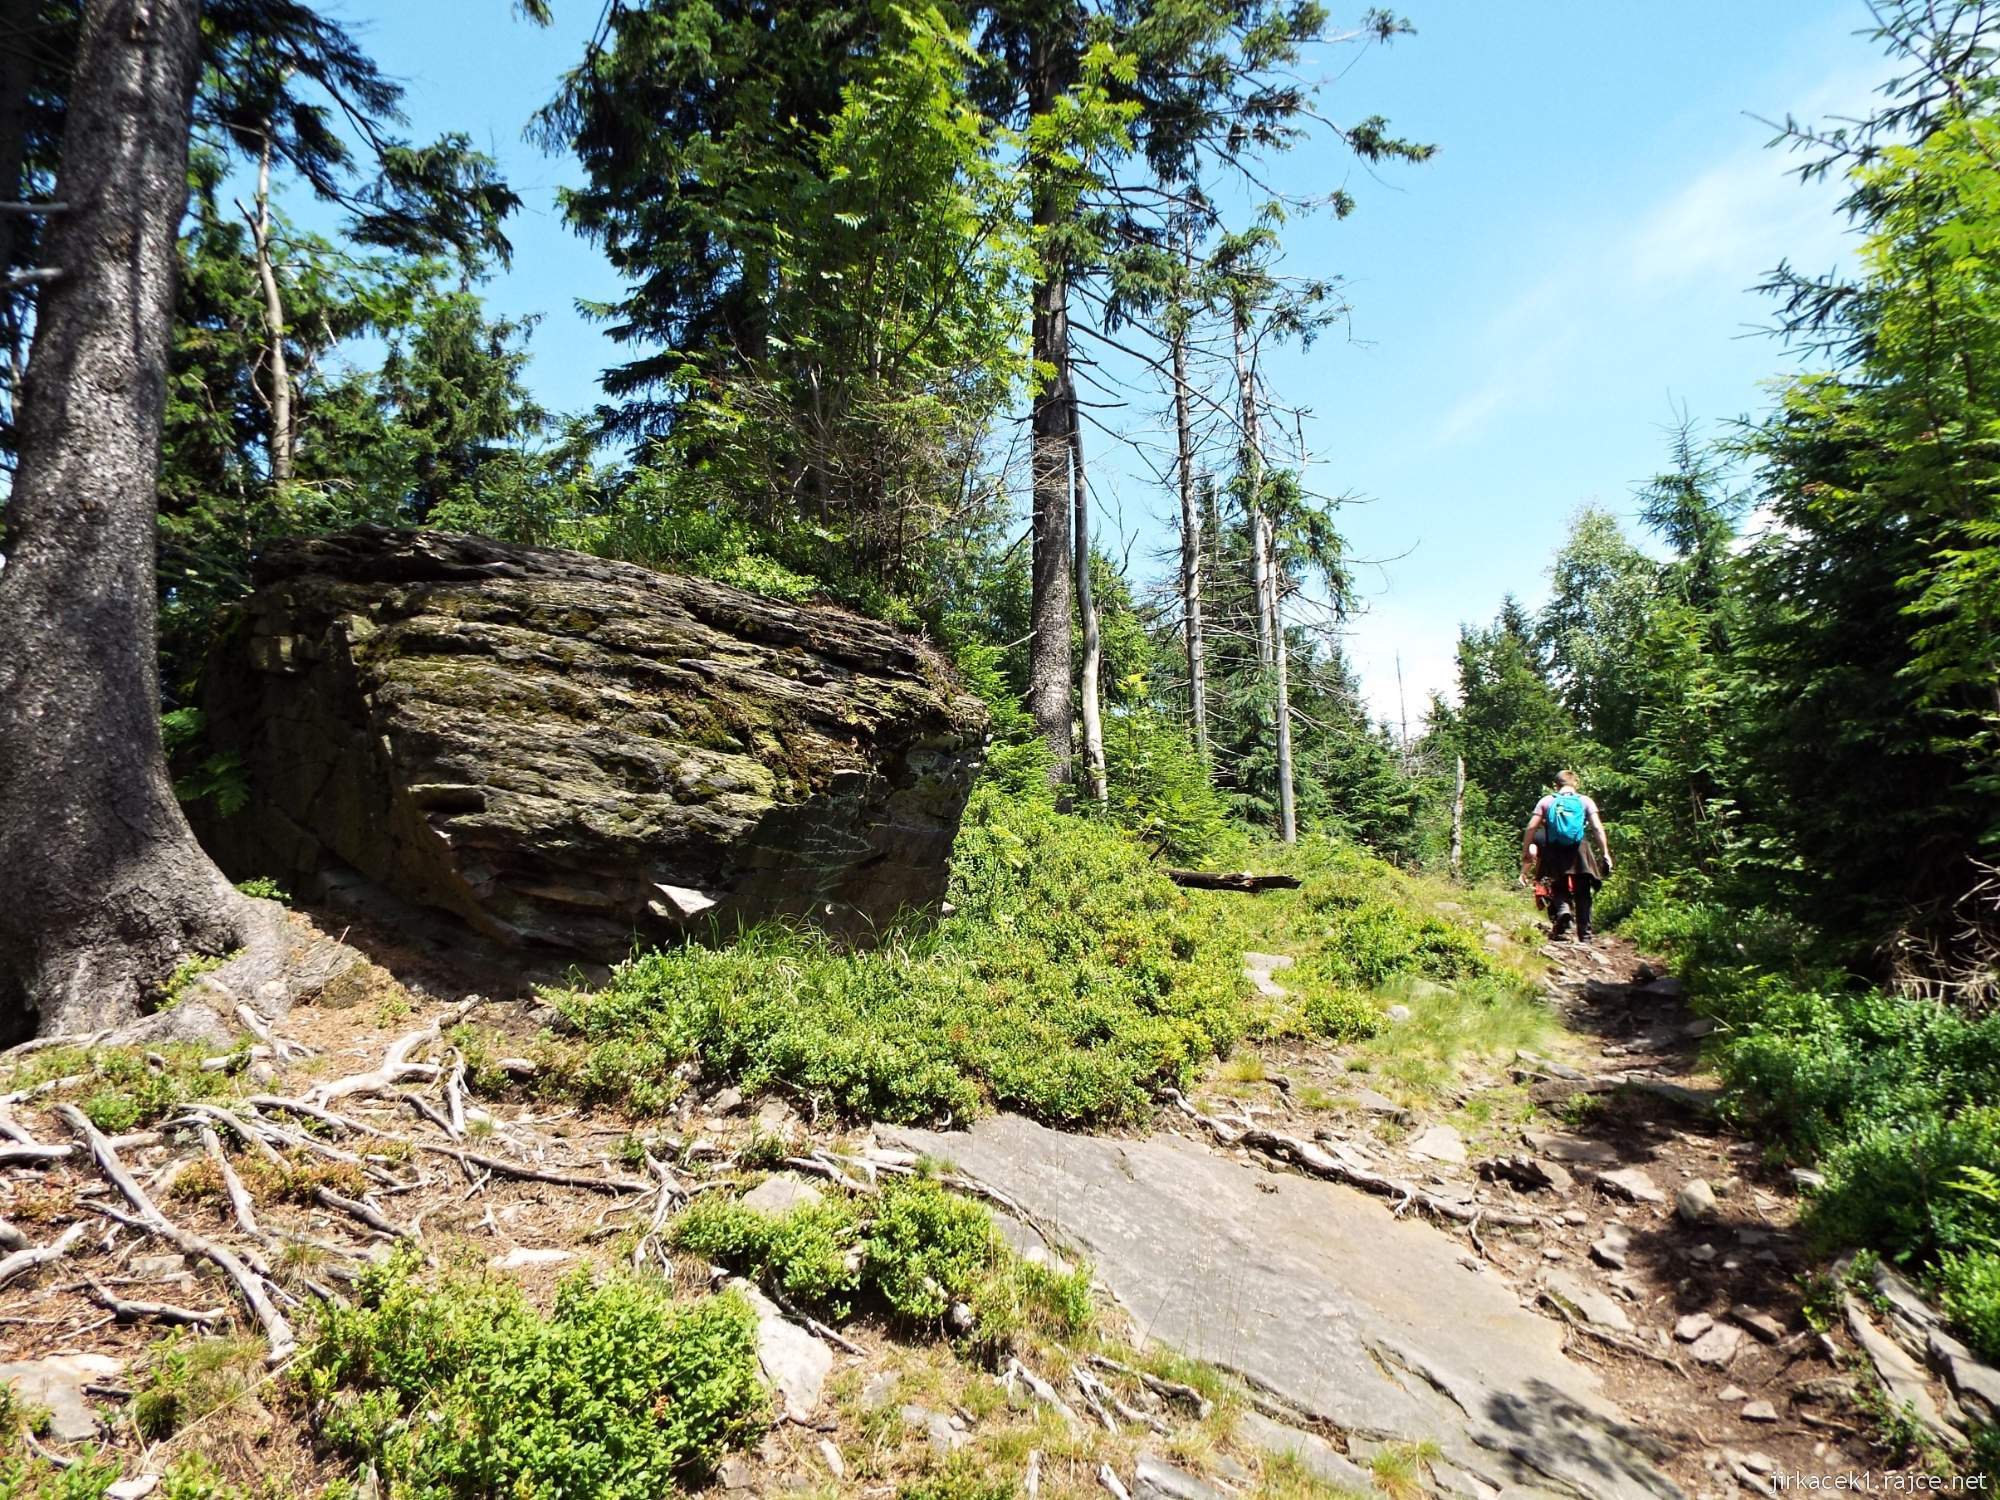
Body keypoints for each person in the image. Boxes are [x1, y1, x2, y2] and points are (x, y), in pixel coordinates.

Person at [1521, 770, 1613, 942]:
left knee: (1558, 886)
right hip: (1579, 850)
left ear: (1555, 785)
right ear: (1575, 783)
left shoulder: (1547, 801)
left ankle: (1563, 910)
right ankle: (1585, 936)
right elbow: (1597, 828)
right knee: (1583, 892)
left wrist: (1525, 850)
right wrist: (1605, 853)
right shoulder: (1585, 801)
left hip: (1554, 849)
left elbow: (1531, 827)